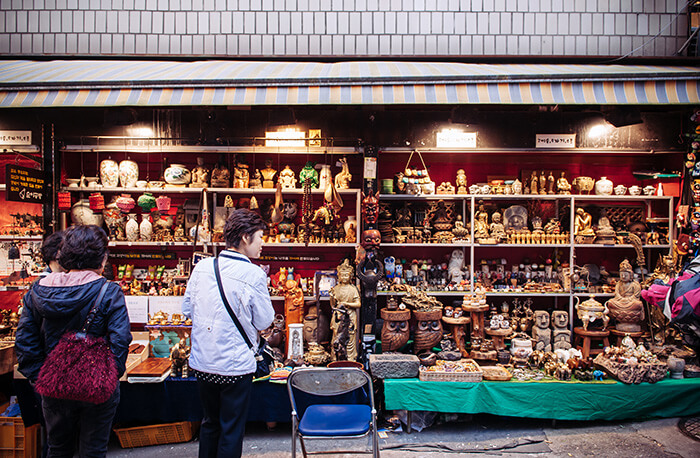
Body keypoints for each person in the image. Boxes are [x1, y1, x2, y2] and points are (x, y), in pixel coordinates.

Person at [15, 225, 132, 458]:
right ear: (102, 258)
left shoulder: (37, 290)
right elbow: (120, 341)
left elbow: (25, 341)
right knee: (93, 450)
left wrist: (42, 378)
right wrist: (107, 378)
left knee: (58, 448)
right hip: (97, 385)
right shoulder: (108, 291)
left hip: (53, 386)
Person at [183, 208, 274, 458]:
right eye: (260, 237)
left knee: (210, 423)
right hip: (234, 366)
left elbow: (186, 309)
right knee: (231, 429)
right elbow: (265, 320)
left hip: (203, 362)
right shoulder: (254, 274)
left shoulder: (202, 268)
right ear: (246, 237)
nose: (262, 244)